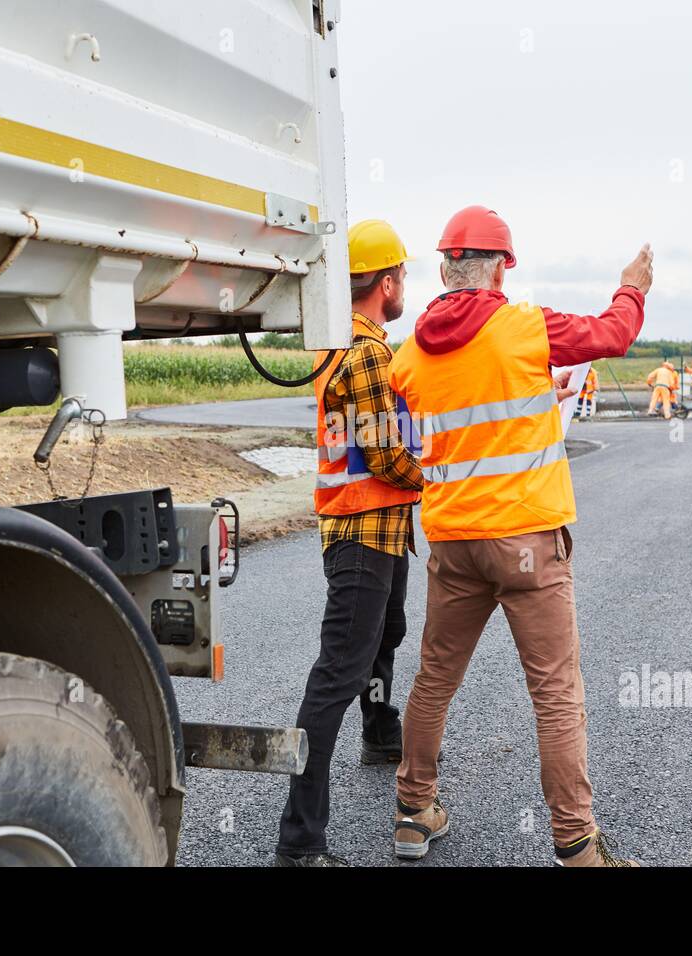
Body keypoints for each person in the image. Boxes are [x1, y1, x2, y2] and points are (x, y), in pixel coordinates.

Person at [387, 205, 649, 867]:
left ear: (446, 265)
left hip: (453, 540)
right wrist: (633, 287)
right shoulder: (526, 326)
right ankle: (576, 844)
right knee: (556, 693)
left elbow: (444, 424)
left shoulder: (408, 355)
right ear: (503, 266)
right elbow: (613, 334)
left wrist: (539, 386)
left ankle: (414, 814)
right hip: (528, 538)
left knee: (434, 680)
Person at [275, 219, 424, 867]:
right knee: (337, 673)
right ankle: (300, 840)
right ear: (385, 282)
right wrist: (440, 478)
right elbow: (387, 454)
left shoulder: (350, 344)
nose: (404, 288)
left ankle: (380, 733)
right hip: (363, 532)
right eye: (403, 278)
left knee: (384, 637)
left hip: (378, 531)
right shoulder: (364, 353)